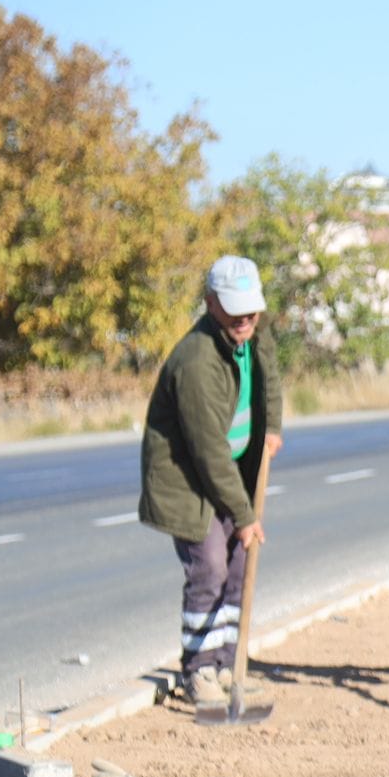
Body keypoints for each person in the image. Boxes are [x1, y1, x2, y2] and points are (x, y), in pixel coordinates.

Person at [139, 256, 284, 707]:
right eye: (235, 309)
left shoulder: (253, 336)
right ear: (210, 303)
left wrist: (272, 427)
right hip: (190, 483)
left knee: (240, 567)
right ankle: (199, 671)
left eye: (252, 309)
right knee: (210, 570)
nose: (246, 319)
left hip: (230, 474)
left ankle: (228, 665)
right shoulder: (197, 360)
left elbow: (270, 380)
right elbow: (208, 450)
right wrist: (243, 515)